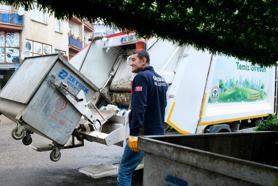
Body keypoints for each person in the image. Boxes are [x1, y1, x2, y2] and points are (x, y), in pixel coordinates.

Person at [117, 50, 168, 186]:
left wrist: (134, 134)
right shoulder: (162, 80)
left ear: (144, 60)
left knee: (125, 170)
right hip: (158, 134)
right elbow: (163, 105)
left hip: (142, 134)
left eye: (134, 60)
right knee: (153, 170)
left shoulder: (141, 77)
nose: (131, 64)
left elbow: (139, 107)